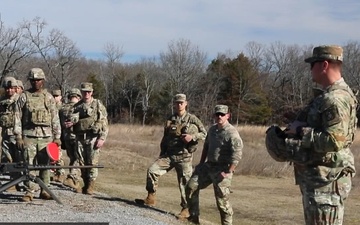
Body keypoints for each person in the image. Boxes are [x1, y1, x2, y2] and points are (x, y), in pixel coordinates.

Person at [269, 45, 357, 225]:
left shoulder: (334, 98)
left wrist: (300, 131)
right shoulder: (330, 95)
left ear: (324, 65)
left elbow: (334, 140)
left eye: (313, 64)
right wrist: (298, 120)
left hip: (326, 183)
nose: (310, 69)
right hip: (320, 180)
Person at [140, 93, 207, 219]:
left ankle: (186, 209)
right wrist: (162, 152)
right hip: (169, 156)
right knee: (152, 171)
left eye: (181, 102)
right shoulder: (170, 119)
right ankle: (151, 197)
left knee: (185, 184)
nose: (179, 105)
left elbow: (204, 134)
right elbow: (165, 137)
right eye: (177, 103)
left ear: (186, 104)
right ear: (174, 104)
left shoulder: (192, 119)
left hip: (184, 157)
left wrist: (192, 137)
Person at [185, 105, 243, 225]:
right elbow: (206, 147)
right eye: (217, 114)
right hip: (209, 166)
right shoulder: (212, 130)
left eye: (222, 114)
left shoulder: (232, 133)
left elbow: (237, 155)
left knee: (222, 202)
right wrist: (201, 164)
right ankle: (193, 217)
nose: (219, 117)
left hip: (223, 169)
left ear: (228, 116)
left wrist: (229, 171)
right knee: (191, 187)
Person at [17, 68, 62, 201]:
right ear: (30, 81)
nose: (36, 82)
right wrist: (18, 136)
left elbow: (55, 118)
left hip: (46, 136)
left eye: (38, 80)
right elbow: (16, 118)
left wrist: (57, 137)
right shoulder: (24, 96)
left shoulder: (48, 97)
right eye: (33, 80)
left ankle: (45, 190)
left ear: (43, 81)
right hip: (29, 135)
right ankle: (29, 191)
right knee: (28, 164)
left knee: (45, 165)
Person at [65, 82, 108, 195]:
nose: (86, 94)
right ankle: (84, 183)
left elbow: (104, 122)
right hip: (80, 137)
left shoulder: (98, 105)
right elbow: (70, 120)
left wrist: (102, 138)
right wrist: (69, 125)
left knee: (92, 162)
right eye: (84, 92)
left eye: (88, 92)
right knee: (81, 162)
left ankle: (90, 185)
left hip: (92, 137)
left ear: (92, 92)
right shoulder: (77, 106)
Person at [0, 77, 23, 190]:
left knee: (19, 158)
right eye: (7, 88)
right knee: (8, 158)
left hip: (17, 134)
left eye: (11, 88)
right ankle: (13, 181)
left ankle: (21, 181)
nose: (9, 91)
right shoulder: (2, 101)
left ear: (15, 88)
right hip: (5, 134)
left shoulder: (20, 100)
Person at [60, 88, 82, 191]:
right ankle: (72, 178)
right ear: (78, 96)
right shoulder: (79, 107)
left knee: (72, 158)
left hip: (66, 137)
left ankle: (75, 182)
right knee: (78, 158)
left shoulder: (62, 108)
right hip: (77, 136)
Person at [51, 89, 66, 183]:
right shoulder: (51, 106)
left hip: (59, 134)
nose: (55, 98)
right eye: (54, 96)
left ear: (60, 97)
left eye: (57, 96)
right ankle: (55, 173)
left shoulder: (62, 108)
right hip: (52, 133)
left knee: (58, 155)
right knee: (52, 154)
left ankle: (61, 173)